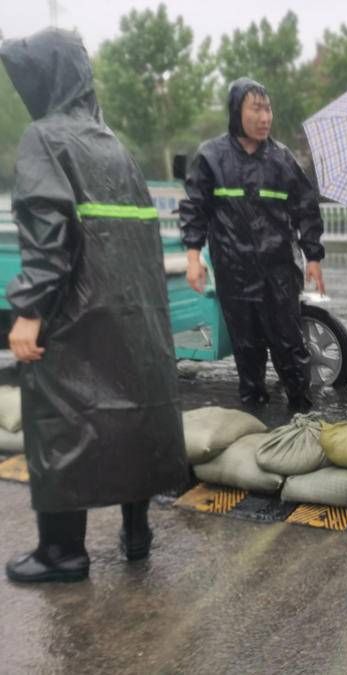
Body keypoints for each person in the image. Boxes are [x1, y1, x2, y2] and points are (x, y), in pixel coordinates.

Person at [1, 28, 189, 583]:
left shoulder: (45, 139)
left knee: (58, 419)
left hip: (75, 316)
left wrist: (28, 313)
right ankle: (136, 535)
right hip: (133, 317)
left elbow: (48, 231)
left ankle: (62, 552)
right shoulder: (114, 144)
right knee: (130, 416)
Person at [179, 78, 325, 411]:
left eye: (268, 108)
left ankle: (302, 413)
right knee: (247, 349)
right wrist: (192, 257)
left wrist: (313, 256)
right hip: (234, 271)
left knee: (289, 344)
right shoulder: (211, 157)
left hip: (279, 271)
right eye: (256, 109)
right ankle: (254, 413)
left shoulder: (282, 159)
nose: (265, 117)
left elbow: (306, 207)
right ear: (236, 112)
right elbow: (194, 208)